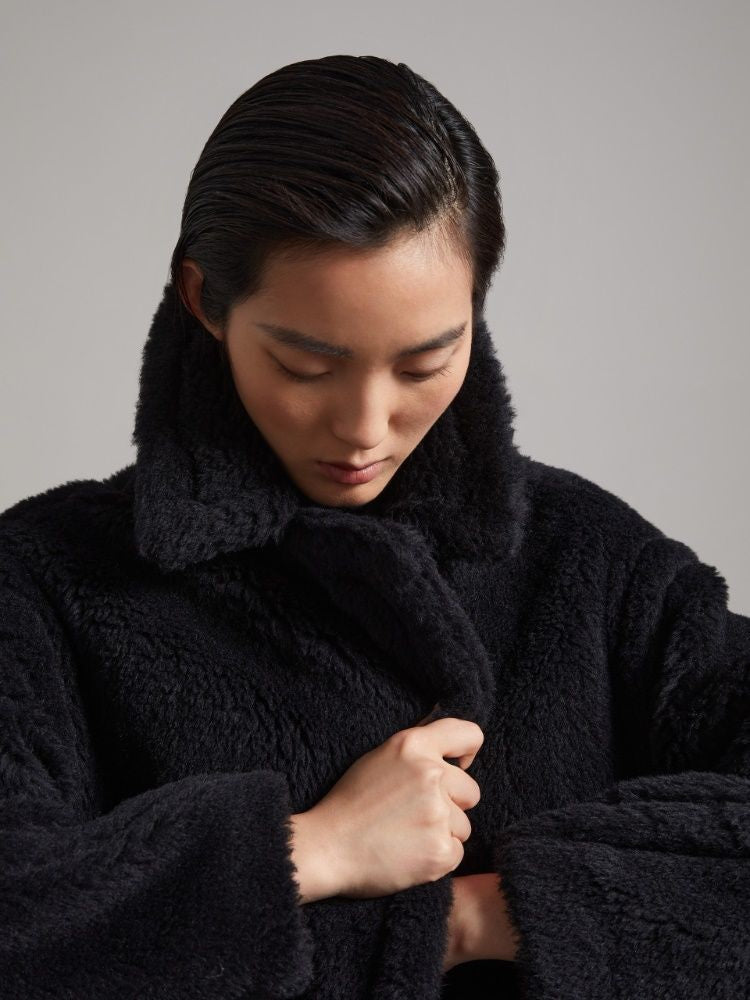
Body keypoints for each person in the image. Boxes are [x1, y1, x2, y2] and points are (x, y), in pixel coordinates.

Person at [0, 54, 747, 1000]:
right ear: (205, 301)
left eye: (425, 362)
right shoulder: (47, 580)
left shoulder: (590, 559)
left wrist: (482, 917)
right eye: (306, 365)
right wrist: (312, 849)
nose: (364, 425)